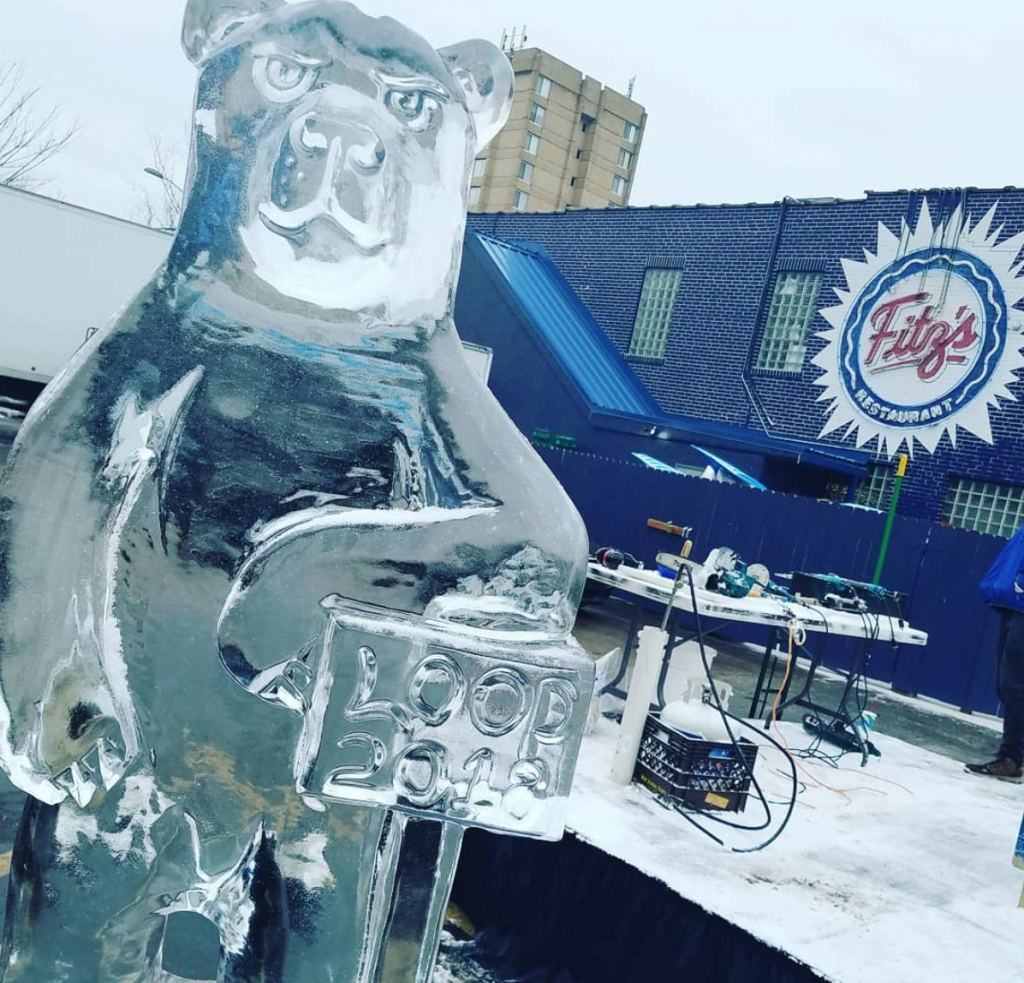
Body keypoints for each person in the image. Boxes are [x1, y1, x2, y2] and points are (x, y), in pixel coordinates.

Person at [966, 611, 1024, 781]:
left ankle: (1012, 758)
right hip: (1012, 605)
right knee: (1007, 685)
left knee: (1014, 686)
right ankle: (1010, 759)